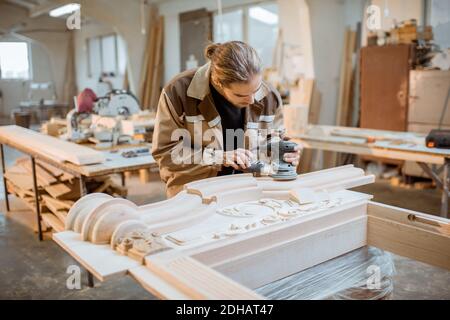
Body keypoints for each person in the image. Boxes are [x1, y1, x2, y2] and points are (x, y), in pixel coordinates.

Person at [152, 41, 300, 198]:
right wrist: (218, 157)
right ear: (218, 82)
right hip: (197, 192)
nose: (251, 100)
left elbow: (272, 140)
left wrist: (282, 153)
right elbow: (166, 152)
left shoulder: (269, 96)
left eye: (255, 90)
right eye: (240, 95)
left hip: (250, 190)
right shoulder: (178, 91)